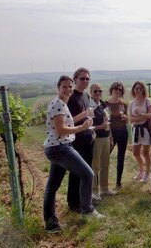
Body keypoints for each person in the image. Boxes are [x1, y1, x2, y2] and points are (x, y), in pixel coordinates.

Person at [43, 75, 103, 234]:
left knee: (52, 187)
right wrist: (81, 128)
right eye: (65, 87)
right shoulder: (58, 105)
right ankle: (88, 211)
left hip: (55, 147)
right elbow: (61, 129)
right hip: (60, 147)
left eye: (70, 86)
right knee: (87, 174)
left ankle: (51, 224)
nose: (68, 89)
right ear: (58, 87)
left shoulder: (60, 103)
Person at [67, 67, 94, 212]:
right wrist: (85, 114)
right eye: (82, 78)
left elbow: (87, 117)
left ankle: (85, 200)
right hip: (76, 140)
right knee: (76, 172)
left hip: (88, 138)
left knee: (87, 171)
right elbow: (67, 121)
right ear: (75, 79)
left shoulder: (86, 96)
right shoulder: (71, 97)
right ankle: (73, 203)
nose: (85, 81)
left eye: (87, 78)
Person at [90, 83, 117, 201]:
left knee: (105, 164)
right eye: (95, 91)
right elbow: (87, 127)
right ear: (91, 92)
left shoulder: (103, 105)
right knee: (95, 165)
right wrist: (100, 126)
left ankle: (104, 189)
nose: (98, 93)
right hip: (96, 139)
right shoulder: (89, 107)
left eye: (100, 91)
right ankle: (94, 191)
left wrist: (110, 137)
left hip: (106, 137)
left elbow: (108, 121)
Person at [128, 81, 151, 183]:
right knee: (135, 153)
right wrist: (142, 117)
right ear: (133, 90)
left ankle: (147, 174)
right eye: (136, 88)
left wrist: (140, 114)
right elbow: (130, 119)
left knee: (146, 153)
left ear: (143, 89)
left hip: (145, 130)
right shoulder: (131, 103)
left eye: (140, 88)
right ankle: (141, 170)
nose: (138, 90)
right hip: (135, 129)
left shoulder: (147, 101)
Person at [105, 82, 128, 189]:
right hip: (111, 133)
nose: (118, 91)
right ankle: (102, 182)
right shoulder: (105, 104)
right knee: (105, 157)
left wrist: (126, 118)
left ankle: (118, 182)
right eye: (116, 89)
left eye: (120, 89)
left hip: (123, 132)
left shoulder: (123, 104)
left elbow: (128, 119)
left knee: (121, 157)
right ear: (112, 89)